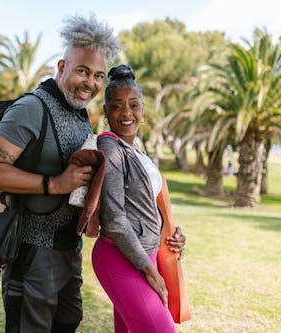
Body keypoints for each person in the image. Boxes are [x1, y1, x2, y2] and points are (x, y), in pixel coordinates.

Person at [0, 14, 121, 333]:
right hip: (33, 250)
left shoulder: (80, 115)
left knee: (68, 321)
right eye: (82, 70)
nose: (91, 83)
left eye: (98, 75)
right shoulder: (32, 108)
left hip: (68, 249)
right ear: (61, 67)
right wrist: (53, 184)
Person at [92, 64, 186, 333]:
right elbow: (115, 219)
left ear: (143, 112)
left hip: (146, 255)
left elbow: (151, 206)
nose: (127, 112)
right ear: (106, 112)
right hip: (120, 258)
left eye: (134, 105)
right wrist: (149, 271)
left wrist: (172, 235)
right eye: (117, 105)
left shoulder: (137, 152)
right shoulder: (110, 148)